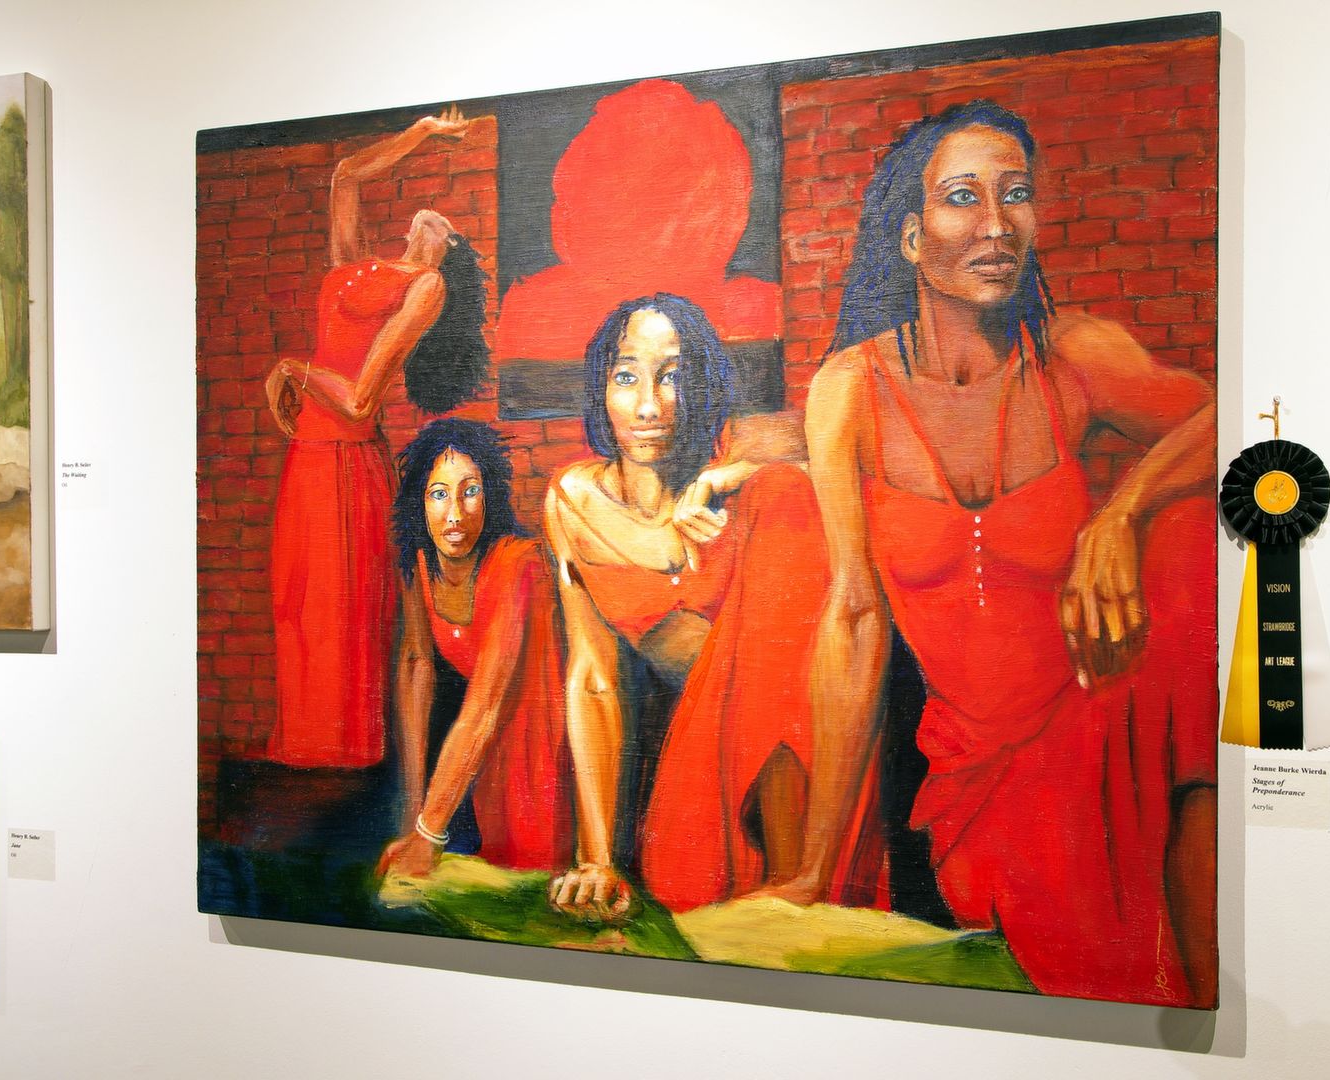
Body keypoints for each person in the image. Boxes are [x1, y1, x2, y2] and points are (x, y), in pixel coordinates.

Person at [773, 101, 1218, 1005]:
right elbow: (853, 617)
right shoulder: (850, 389)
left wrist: (1123, 511)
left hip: (1100, 723)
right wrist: (814, 870)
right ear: (910, 237)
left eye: (1015, 195)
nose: (995, 223)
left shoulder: (1073, 355)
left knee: (1183, 536)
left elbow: (1236, 415)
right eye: (962, 197)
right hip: (975, 777)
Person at [544, 294, 881, 916]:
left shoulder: (737, 463)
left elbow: (834, 440)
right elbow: (592, 676)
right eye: (627, 377)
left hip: (796, 737)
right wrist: (596, 856)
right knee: (689, 888)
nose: (650, 406)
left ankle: (803, 871)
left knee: (785, 493)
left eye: (672, 376)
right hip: (705, 749)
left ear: (699, 386)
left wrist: (725, 477)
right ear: (601, 389)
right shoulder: (574, 502)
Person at [260, 107, 490, 768]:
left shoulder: (427, 286)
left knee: (337, 617)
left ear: (446, 249)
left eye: (447, 227)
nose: (433, 218)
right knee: (297, 602)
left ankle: (344, 762)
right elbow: (346, 175)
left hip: (346, 460)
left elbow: (361, 399)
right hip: (308, 455)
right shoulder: (357, 265)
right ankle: (302, 754)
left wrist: (293, 369)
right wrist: (424, 131)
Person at [376, 418, 573, 876]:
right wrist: (415, 811)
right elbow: (416, 666)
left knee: (533, 878)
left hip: (546, 745)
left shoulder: (519, 564)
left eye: (470, 491)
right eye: (438, 494)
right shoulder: (420, 564)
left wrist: (428, 833)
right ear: (419, 502)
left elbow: (487, 704)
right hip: (481, 754)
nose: (454, 514)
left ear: (490, 497)